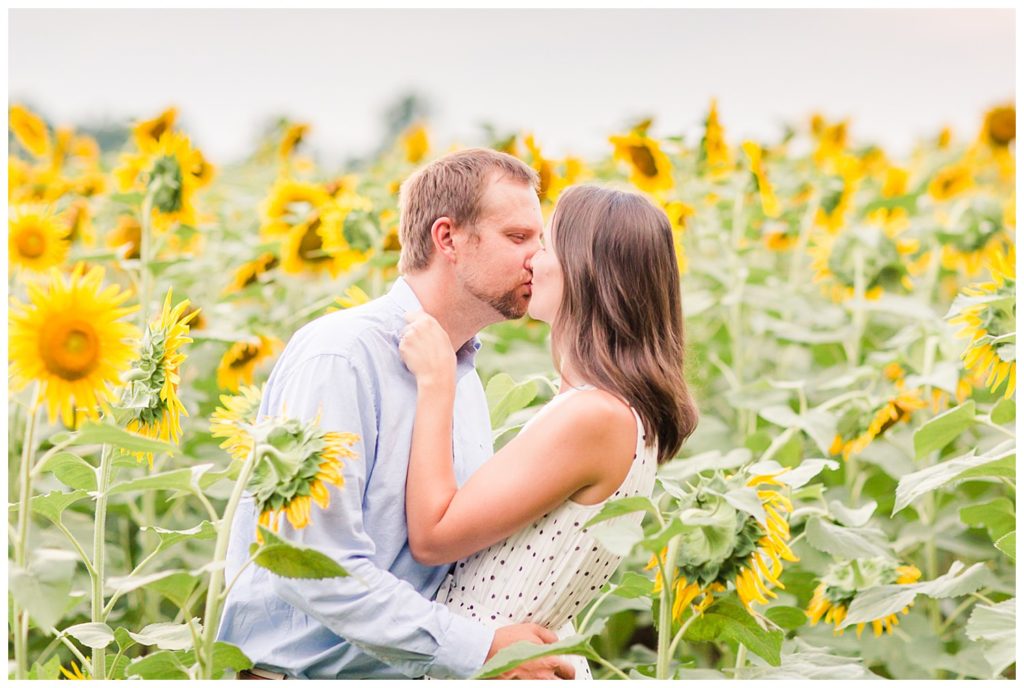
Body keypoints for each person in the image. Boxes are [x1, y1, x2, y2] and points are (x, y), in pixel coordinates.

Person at [217, 148, 576, 679]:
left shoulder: (463, 378)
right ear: (447, 238)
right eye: (518, 238)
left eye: (539, 242)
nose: (537, 260)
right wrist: (477, 648)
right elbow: (315, 562)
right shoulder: (341, 356)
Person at [398, 184, 699, 680]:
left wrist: (436, 383)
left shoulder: (595, 416)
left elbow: (433, 538)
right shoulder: (605, 409)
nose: (533, 260)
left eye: (549, 245)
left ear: (588, 273)